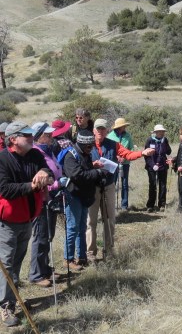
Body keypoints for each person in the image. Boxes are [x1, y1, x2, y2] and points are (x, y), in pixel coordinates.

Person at [0, 122, 54, 327]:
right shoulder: (2, 159)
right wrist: (32, 185)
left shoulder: (35, 154)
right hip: (7, 221)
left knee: (16, 262)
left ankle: (12, 299)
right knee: (6, 263)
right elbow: (5, 189)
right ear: (13, 139)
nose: (32, 138)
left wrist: (43, 173)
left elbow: (48, 172)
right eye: (26, 135)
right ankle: (6, 306)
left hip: (27, 218)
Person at [87, 119, 155, 260]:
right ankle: (90, 252)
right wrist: (91, 164)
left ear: (107, 131)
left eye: (102, 129)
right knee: (90, 221)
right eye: (98, 129)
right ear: (93, 130)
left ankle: (109, 251)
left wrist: (142, 153)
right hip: (92, 187)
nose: (100, 131)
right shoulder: (87, 145)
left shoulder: (113, 144)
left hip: (108, 186)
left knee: (109, 219)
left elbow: (128, 154)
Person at [61, 130, 107, 270]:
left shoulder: (85, 154)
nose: (91, 148)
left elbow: (85, 170)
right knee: (72, 228)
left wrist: (94, 168)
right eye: (88, 145)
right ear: (80, 143)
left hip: (84, 195)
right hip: (73, 195)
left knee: (81, 228)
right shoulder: (71, 156)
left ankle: (82, 257)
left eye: (91, 145)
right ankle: (68, 259)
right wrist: (96, 172)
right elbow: (77, 175)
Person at [29, 122, 63, 287]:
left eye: (51, 134)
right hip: (42, 201)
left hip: (53, 198)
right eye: (47, 134)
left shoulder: (47, 151)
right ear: (38, 136)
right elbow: (38, 181)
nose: (51, 136)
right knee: (40, 237)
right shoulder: (36, 153)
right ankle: (36, 274)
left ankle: (45, 268)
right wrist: (57, 184)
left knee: (48, 236)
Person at [107, 118, 134, 211]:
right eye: (123, 126)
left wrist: (125, 157)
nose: (125, 127)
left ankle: (124, 205)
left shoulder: (128, 136)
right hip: (113, 164)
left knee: (125, 184)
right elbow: (107, 150)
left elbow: (131, 149)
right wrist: (116, 156)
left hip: (125, 164)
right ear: (119, 127)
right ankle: (110, 205)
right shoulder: (110, 136)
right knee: (112, 184)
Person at [144, 124, 172, 212]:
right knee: (152, 185)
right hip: (152, 166)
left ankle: (162, 205)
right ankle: (150, 205)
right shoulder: (150, 140)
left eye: (163, 132)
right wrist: (152, 165)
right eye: (161, 132)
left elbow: (168, 151)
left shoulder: (165, 140)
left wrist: (165, 144)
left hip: (163, 166)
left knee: (163, 185)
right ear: (156, 132)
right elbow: (146, 155)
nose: (162, 133)